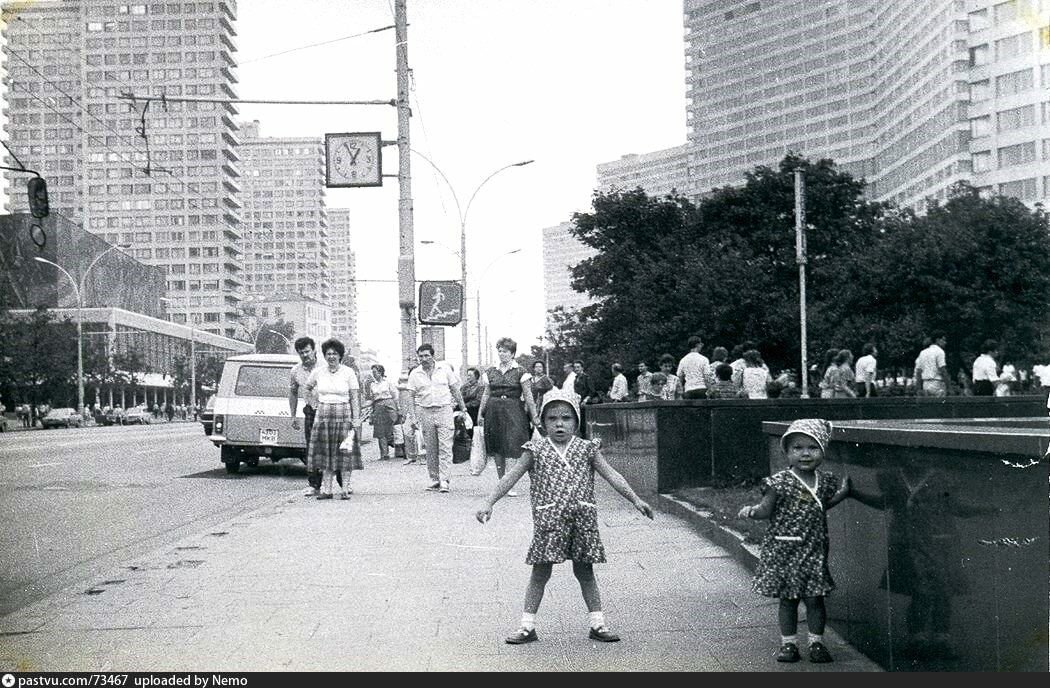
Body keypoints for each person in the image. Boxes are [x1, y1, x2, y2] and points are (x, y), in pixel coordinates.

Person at [475, 387, 654, 645]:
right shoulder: (535, 450)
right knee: (540, 572)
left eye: (566, 418)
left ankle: (598, 624)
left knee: (585, 572)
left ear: (576, 421)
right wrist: (488, 502)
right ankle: (527, 627)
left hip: (583, 521)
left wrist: (635, 499)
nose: (559, 424)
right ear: (543, 422)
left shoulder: (587, 449)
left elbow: (612, 475)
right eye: (552, 418)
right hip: (549, 522)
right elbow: (510, 478)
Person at [737, 419, 851, 664]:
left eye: (813, 447)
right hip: (785, 550)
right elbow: (766, 509)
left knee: (815, 599)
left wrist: (842, 494)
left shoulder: (825, 481)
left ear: (822, 450)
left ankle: (816, 643)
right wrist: (753, 511)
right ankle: (788, 644)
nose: (805, 454)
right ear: (787, 453)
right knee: (788, 599)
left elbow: (821, 505)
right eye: (797, 448)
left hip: (814, 549)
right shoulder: (779, 482)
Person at [479, 337, 541, 498]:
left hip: (514, 410)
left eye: (505, 351)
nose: (501, 354)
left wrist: (534, 416)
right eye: (499, 350)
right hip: (494, 411)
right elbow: (486, 393)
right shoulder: (490, 371)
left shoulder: (521, 372)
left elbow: (528, 395)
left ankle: (510, 481)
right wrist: (481, 413)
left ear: (512, 353)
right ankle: (503, 482)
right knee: (497, 445)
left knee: (514, 445)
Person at [303, 338, 361, 500]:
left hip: (344, 415)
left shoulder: (348, 372)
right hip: (323, 416)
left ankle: (344, 489)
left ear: (340, 355)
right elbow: (307, 388)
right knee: (326, 454)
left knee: (345, 452)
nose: (331, 357)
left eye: (334, 353)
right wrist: (313, 403)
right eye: (328, 354)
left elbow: (355, 397)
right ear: (324, 355)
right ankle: (327, 490)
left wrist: (356, 419)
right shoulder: (318, 372)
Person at [406, 343, 468, 493]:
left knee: (445, 446)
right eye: (421, 356)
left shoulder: (444, 369)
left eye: (427, 355)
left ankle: (444, 479)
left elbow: (455, 389)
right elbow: (410, 396)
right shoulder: (415, 373)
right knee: (431, 447)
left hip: (444, 410)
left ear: (433, 356)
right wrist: (413, 417)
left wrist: (463, 408)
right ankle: (434, 479)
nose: (424, 359)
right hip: (425, 412)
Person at [290, 337, 324, 496]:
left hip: (328, 410)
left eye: (307, 351)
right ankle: (314, 484)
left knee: (332, 446)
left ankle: (339, 482)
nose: (305, 355)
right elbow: (293, 393)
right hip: (310, 410)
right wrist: (293, 416)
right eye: (301, 352)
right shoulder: (295, 371)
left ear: (314, 350)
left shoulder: (325, 366)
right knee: (311, 448)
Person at [369, 364, 400, 460]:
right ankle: (384, 454)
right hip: (378, 406)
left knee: (392, 428)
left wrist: (398, 408)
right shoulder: (372, 385)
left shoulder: (388, 382)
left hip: (389, 405)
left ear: (380, 372)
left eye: (375, 372)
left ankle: (400, 451)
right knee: (380, 430)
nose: (373, 374)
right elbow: (371, 398)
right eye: (373, 372)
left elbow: (395, 395)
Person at [677, 335, 710, 399]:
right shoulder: (704, 359)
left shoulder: (683, 360)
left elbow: (680, 377)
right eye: (701, 344)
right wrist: (710, 390)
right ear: (697, 345)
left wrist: (681, 392)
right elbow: (706, 377)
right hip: (702, 389)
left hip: (689, 390)